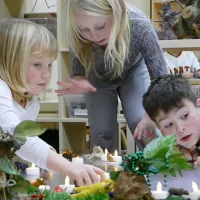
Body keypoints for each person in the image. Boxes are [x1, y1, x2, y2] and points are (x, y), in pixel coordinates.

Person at [0, 19, 104, 186]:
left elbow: (25, 143)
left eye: (49, 65)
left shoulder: (31, 103)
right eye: (37, 64)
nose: (47, 74)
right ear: (10, 61)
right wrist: (67, 167)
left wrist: (46, 162)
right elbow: (16, 135)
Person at [55, 0, 168, 152]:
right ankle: (103, 173)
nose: (94, 35)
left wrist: (151, 114)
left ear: (117, 12)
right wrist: (79, 80)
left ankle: (163, 169)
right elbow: (78, 72)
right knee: (102, 131)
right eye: (85, 30)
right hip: (96, 75)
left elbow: (161, 78)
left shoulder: (139, 25)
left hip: (133, 70)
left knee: (140, 120)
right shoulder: (76, 30)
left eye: (100, 26)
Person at [143, 74, 200, 165]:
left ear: (198, 106)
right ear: (160, 129)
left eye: (185, 115)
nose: (180, 128)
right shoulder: (171, 147)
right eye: (168, 125)